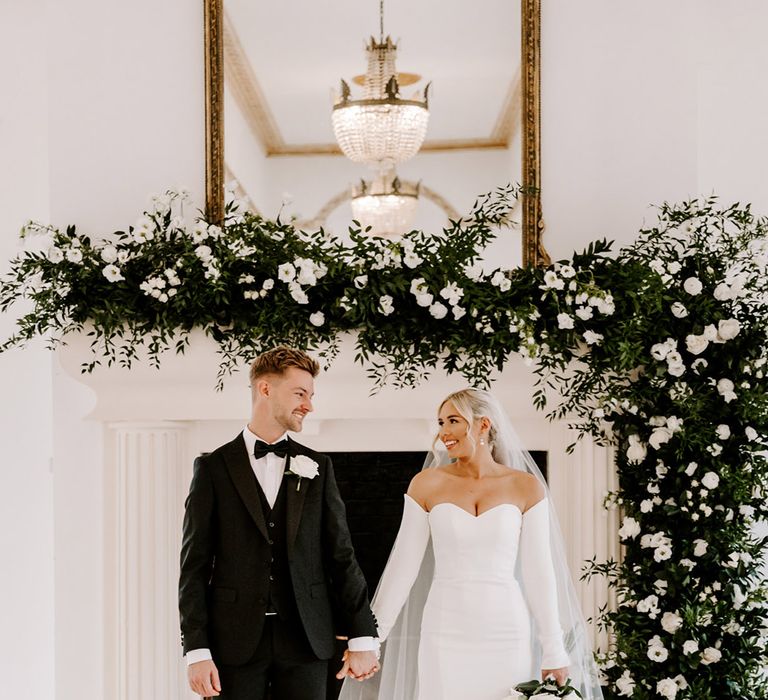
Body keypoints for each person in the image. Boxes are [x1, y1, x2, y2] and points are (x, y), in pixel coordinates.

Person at [339, 388, 603, 700]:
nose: (443, 433)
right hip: (444, 629)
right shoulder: (426, 484)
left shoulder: (525, 487)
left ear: (483, 425)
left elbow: (539, 573)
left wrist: (554, 651)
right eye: (440, 422)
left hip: (507, 630)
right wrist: (372, 639)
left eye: (453, 420)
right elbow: (402, 567)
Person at [179, 346, 379, 700]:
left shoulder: (318, 467)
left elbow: (342, 556)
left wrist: (363, 634)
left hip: (308, 639)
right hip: (234, 642)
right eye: (300, 393)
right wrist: (196, 650)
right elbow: (193, 567)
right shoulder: (213, 469)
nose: (309, 405)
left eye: (311, 395)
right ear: (265, 389)